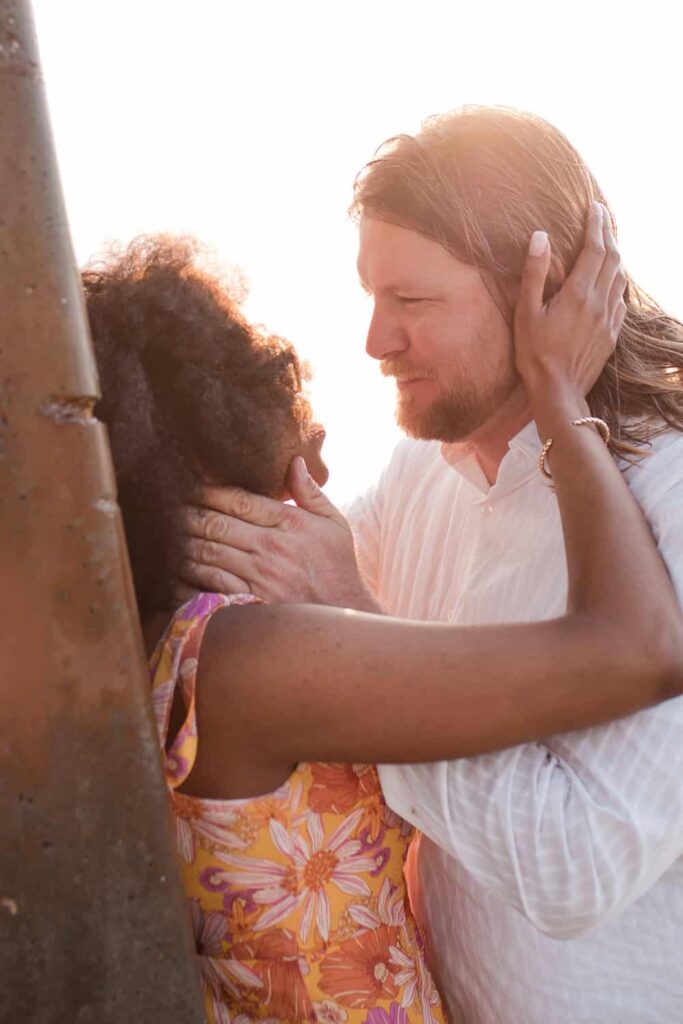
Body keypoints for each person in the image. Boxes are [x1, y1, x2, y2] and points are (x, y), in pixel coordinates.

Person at [180, 107, 683, 1024]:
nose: (375, 341)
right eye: (371, 299)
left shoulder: (670, 494)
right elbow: (296, 621)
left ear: (548, 289)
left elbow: (574, 868)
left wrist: (348, 609)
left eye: (412, 303)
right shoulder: (420, 475)